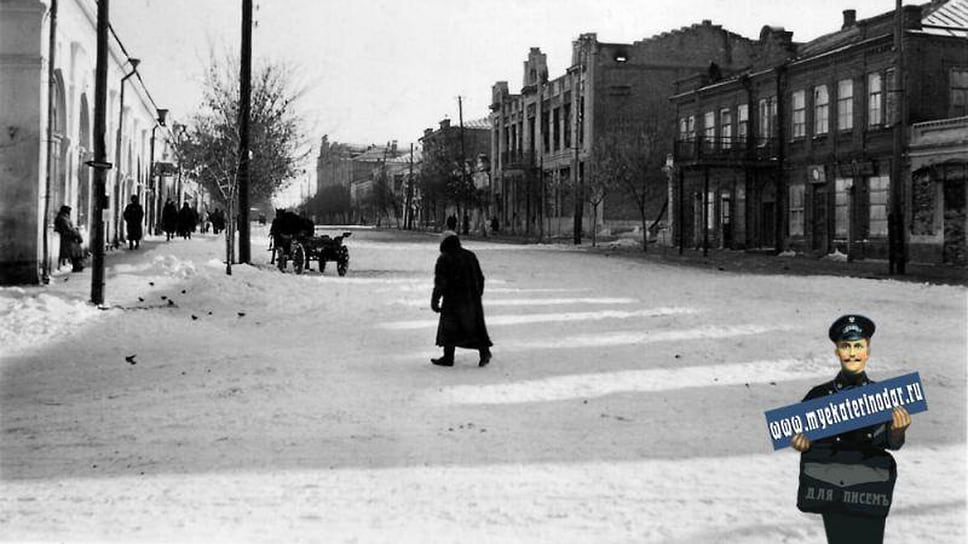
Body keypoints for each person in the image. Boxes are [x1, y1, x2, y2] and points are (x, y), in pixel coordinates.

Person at [791, 314, 911, 544]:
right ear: (837, 351)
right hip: (831, 489)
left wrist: (898, 430)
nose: (852, 353)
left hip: (870, 489)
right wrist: (801, 443)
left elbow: (892, 443)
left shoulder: (884, 397)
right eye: (846, 346)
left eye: (858, 346)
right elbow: (802, 437)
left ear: (868, 351)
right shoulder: (817, 396)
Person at [430, 234, 492, 367]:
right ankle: (484, 352)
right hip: (471, 299)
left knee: (449, 328)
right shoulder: (470, 256)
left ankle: (448, 357)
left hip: (452, 300)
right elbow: (480, 277)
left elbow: (440, 282)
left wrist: (435, 300)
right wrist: (477, 294)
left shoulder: (444, 258)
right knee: (475, 328)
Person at [53, 205, 84, 272]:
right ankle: (77, 265)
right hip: (67, 239)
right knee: (76, 251)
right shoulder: (63, 219)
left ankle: (77, 265)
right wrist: (77, 234)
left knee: (77, 250)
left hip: (68, 238)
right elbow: (68, 229)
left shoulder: (64, 218)